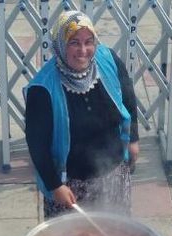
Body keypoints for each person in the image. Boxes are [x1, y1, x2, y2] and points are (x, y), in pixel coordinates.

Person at [25, 11, 141, 219]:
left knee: (115, 232)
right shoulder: (42, 89)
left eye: (89, 42)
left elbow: (128, 97)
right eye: (74, 43)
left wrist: (133, 139)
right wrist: (55, 185)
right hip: (71, 186)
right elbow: (37, 145)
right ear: (60, 44)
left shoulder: (108, 60)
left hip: (114, 175)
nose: (83, 51)